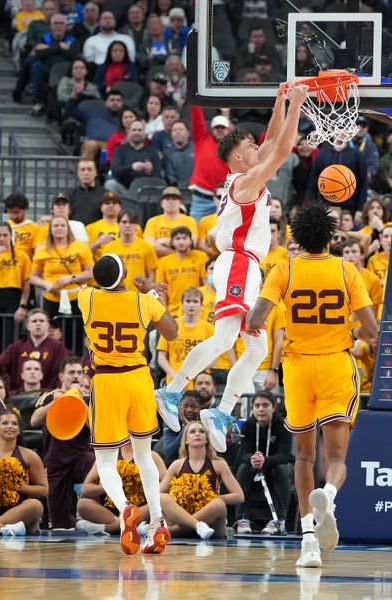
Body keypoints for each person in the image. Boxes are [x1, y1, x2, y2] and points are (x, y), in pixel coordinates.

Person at [155, 86, 308, 450]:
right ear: (239, 159)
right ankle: (171, 391)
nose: (260, 150)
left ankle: (221, 412)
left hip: (246, 266)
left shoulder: (244, 175)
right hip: (238, 261)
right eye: (252, 150)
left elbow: (272, 141)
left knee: (256, 349)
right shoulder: (245, 182)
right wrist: (298, 105)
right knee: (225, 339)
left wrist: (279, 104)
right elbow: (283, 150)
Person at [246, 201, 378, 568]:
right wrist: (346, 328)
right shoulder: (347, 270)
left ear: (297, 238)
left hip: (298, 368)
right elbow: (372, 331)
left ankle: (307, 542)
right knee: (336, 458)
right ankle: (330, 496)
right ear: (330, 236)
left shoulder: (284, 270)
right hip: (336, 364)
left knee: (303, 455)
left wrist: (243, 315)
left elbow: (257, 317)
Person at [78, 253, 179, 555]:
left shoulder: (87, 298)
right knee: (144, 456)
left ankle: (124, 509)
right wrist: (152, 295)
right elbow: (172, 332)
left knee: (106, 461)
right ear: (123, 277)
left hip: (106, 381)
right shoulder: (143, 302)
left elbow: (97, 287)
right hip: (137, 379)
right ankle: (158, 521)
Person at [30, 357, 95, 529]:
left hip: (81, 458)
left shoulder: (89, 398)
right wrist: (55, 402)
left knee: (96, 462)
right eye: (71, 372)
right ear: (61, 376)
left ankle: (92, 514)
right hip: (56, 461)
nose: (76, 376)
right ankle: (78, 524)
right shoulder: (49, 396)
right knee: (59, 523)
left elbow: (95, 428)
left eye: (79, 372)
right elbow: (34, 421)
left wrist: (80, 399)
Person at [159, 420, 244, 539]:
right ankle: (197, 525)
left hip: (211, 523)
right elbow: (158, 493)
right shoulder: (177, 465)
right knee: (162, 497)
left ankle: (171, 531)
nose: (197, 434)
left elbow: (239, 496)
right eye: (192, 432)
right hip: (184, 515)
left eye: (202, 431)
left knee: (219, 504)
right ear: (186, 440)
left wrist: (209, 497)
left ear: (207, 439)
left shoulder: (219, 463)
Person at [0, 409, 48, 535]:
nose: (10, 426)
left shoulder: (30, 456)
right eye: (5, 423)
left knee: (35, 505)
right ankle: (3, 528)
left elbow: (44, 490)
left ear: (19, 430)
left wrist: (18, 486)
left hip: (20, 510)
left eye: (14, 424)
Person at [76, 442, 166, 536]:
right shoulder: (108, 456)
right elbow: (86, 488)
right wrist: (111, 487)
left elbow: (167, 483)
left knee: (157, 503)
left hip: (140, 508)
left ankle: (104, 529)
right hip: (111, 512)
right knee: (82, 504)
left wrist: (143, 487)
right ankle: (130, 526)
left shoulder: (151, 455)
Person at [235, 391, 293, 535]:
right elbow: (243, 452)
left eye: (265, 405)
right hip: (255, 465)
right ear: (253, 408)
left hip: (276, 465)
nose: (261, 409)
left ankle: (279, 520)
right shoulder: (248, 425)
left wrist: (265, 461)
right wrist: (252, 459)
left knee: (282, 469)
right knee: (243, 468)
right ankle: (242, 518)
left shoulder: (283, 425)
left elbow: (284, 455)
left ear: (273, 407)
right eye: (257, 405)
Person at [0, 309, 72, 390]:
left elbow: (61, 373)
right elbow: (0, 363)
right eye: (34, 321)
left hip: (48, 396)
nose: (38, 323)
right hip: (20, 396)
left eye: (41, 321)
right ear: (28, 326)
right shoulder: (17, 346)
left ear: (48, 325)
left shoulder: (57, 347)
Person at [29, 216, 94, 317]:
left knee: (74, 331)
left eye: (62, 225)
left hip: (76, 297)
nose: (59, 228)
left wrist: (72, 278)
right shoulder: (43, 250)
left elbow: (90, 272)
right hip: (51, 298)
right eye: (55, 226)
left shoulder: (81, 247)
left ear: (68, 228)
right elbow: (33, 277)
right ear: (50, 229)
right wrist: (45, 284)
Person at [101, 210, 159, 292]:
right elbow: (105, 274)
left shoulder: (146, 246)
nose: (128, 225)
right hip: (116, 294)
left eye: (131, 222)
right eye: (124, 222)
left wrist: (148, 291)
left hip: (139, 295)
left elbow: (151, 274)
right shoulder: (109, 248)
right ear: (118, 224)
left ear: (136, 225)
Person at [156, 227, 209, 314]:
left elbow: (206, 284)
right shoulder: (164, 261)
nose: (181, 242)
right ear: (172, 242)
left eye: (184, 238)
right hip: (173, 311)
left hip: (197, 309)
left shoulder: (201, 257)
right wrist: (165, 312)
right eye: (177, 238)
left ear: (191, 241)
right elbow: (161, 290)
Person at [143, 187, 198, 256]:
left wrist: (163, 241)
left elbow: (192, 244)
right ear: (162, 203)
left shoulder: (190, 221)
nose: (171, 201)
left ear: (180, 203)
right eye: (167, 199)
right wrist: (180, 250)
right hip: (160, 264)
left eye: (174, 199)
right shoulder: (152, 221)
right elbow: (149, 247)